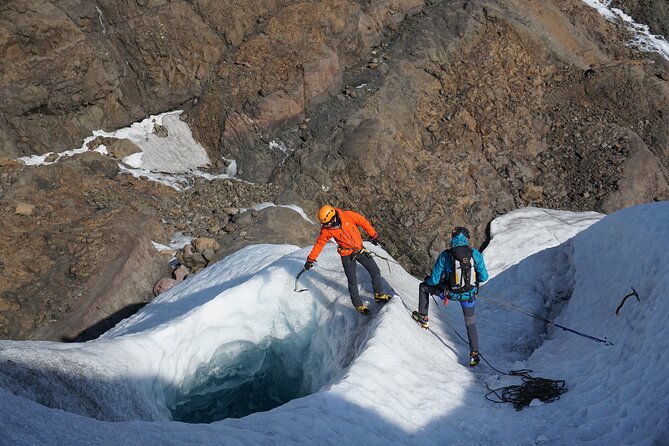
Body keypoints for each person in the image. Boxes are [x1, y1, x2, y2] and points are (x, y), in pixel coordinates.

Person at [412, 226, 489, 367]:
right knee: (470, 324)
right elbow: (484, 276)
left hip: (449, 293)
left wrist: (427, 279)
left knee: (423, 287)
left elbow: (434, 280)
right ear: (466, 238)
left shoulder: (446, 255)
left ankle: (423, 318)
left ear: (453, 238)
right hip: (468, 296)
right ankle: (474, 355)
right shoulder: (474, 254)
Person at [304, 205, 392, 315]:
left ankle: (378, 294)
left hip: (359, 250)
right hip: (346, 255)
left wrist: (373, 235)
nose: (326, 226)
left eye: (327, 223)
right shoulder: (327, 230)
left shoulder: (348, 216)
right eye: (324, 224)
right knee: (352, 280)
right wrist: (311, 259)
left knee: (375, 270)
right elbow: (320, 244)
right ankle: (358, 305)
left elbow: (362, 221)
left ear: (333, 217)